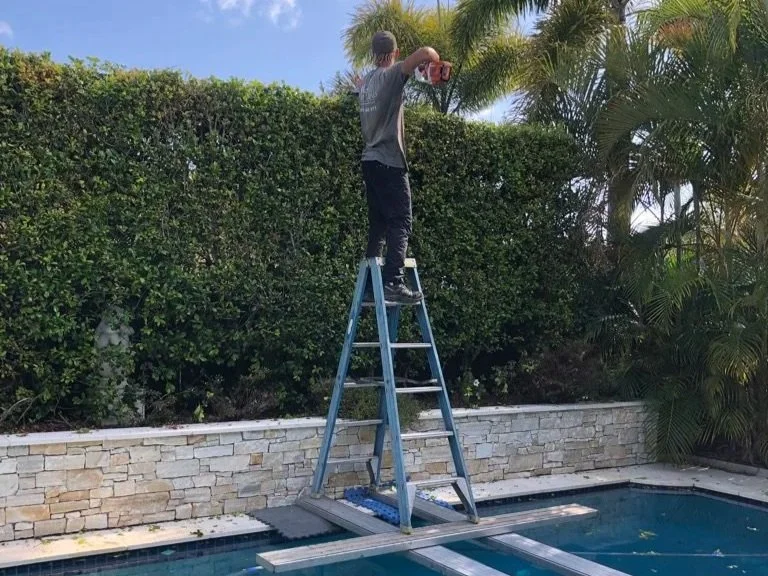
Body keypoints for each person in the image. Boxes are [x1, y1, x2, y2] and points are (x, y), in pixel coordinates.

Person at [358, 30, 441, 304]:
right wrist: (435, 61)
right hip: (389, 162)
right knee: (401, 221)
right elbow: (426, 52)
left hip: (369, 161)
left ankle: (370, 288)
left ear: (374, 54)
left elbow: (361, 87)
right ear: (394, 53)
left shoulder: (367, 83)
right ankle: (393, 282)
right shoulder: (391, 75)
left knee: (379, 226)